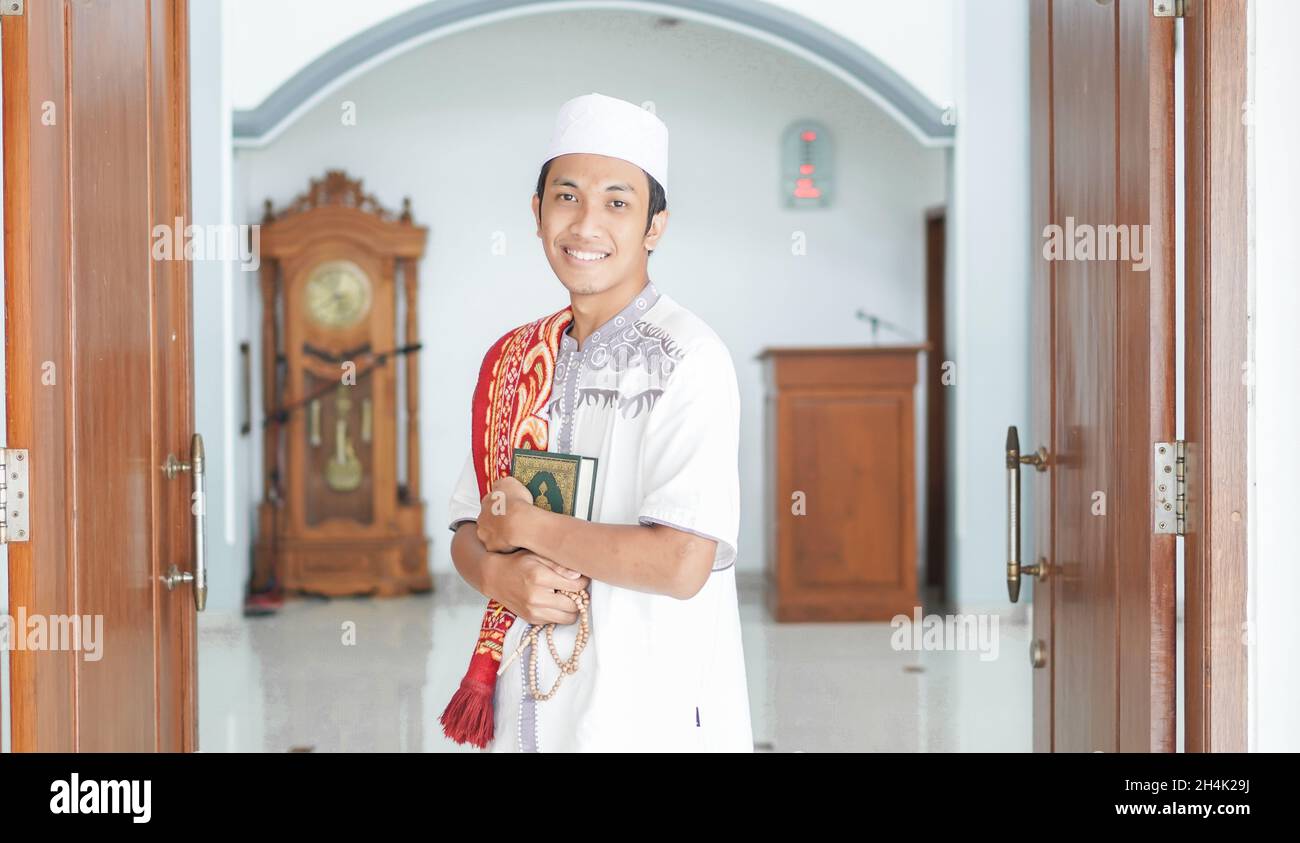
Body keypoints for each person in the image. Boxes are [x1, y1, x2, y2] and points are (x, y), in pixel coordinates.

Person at [443, 92, 751, 752]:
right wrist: (498, 575)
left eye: (617, 202)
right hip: (523, 703)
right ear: (536, 211)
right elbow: (470, 529)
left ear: (654, 225)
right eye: (567, 196)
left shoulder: (689, 359)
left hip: (642, 712)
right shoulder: (515, 360)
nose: (586, 224)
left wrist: (530, 528)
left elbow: (681, 561)